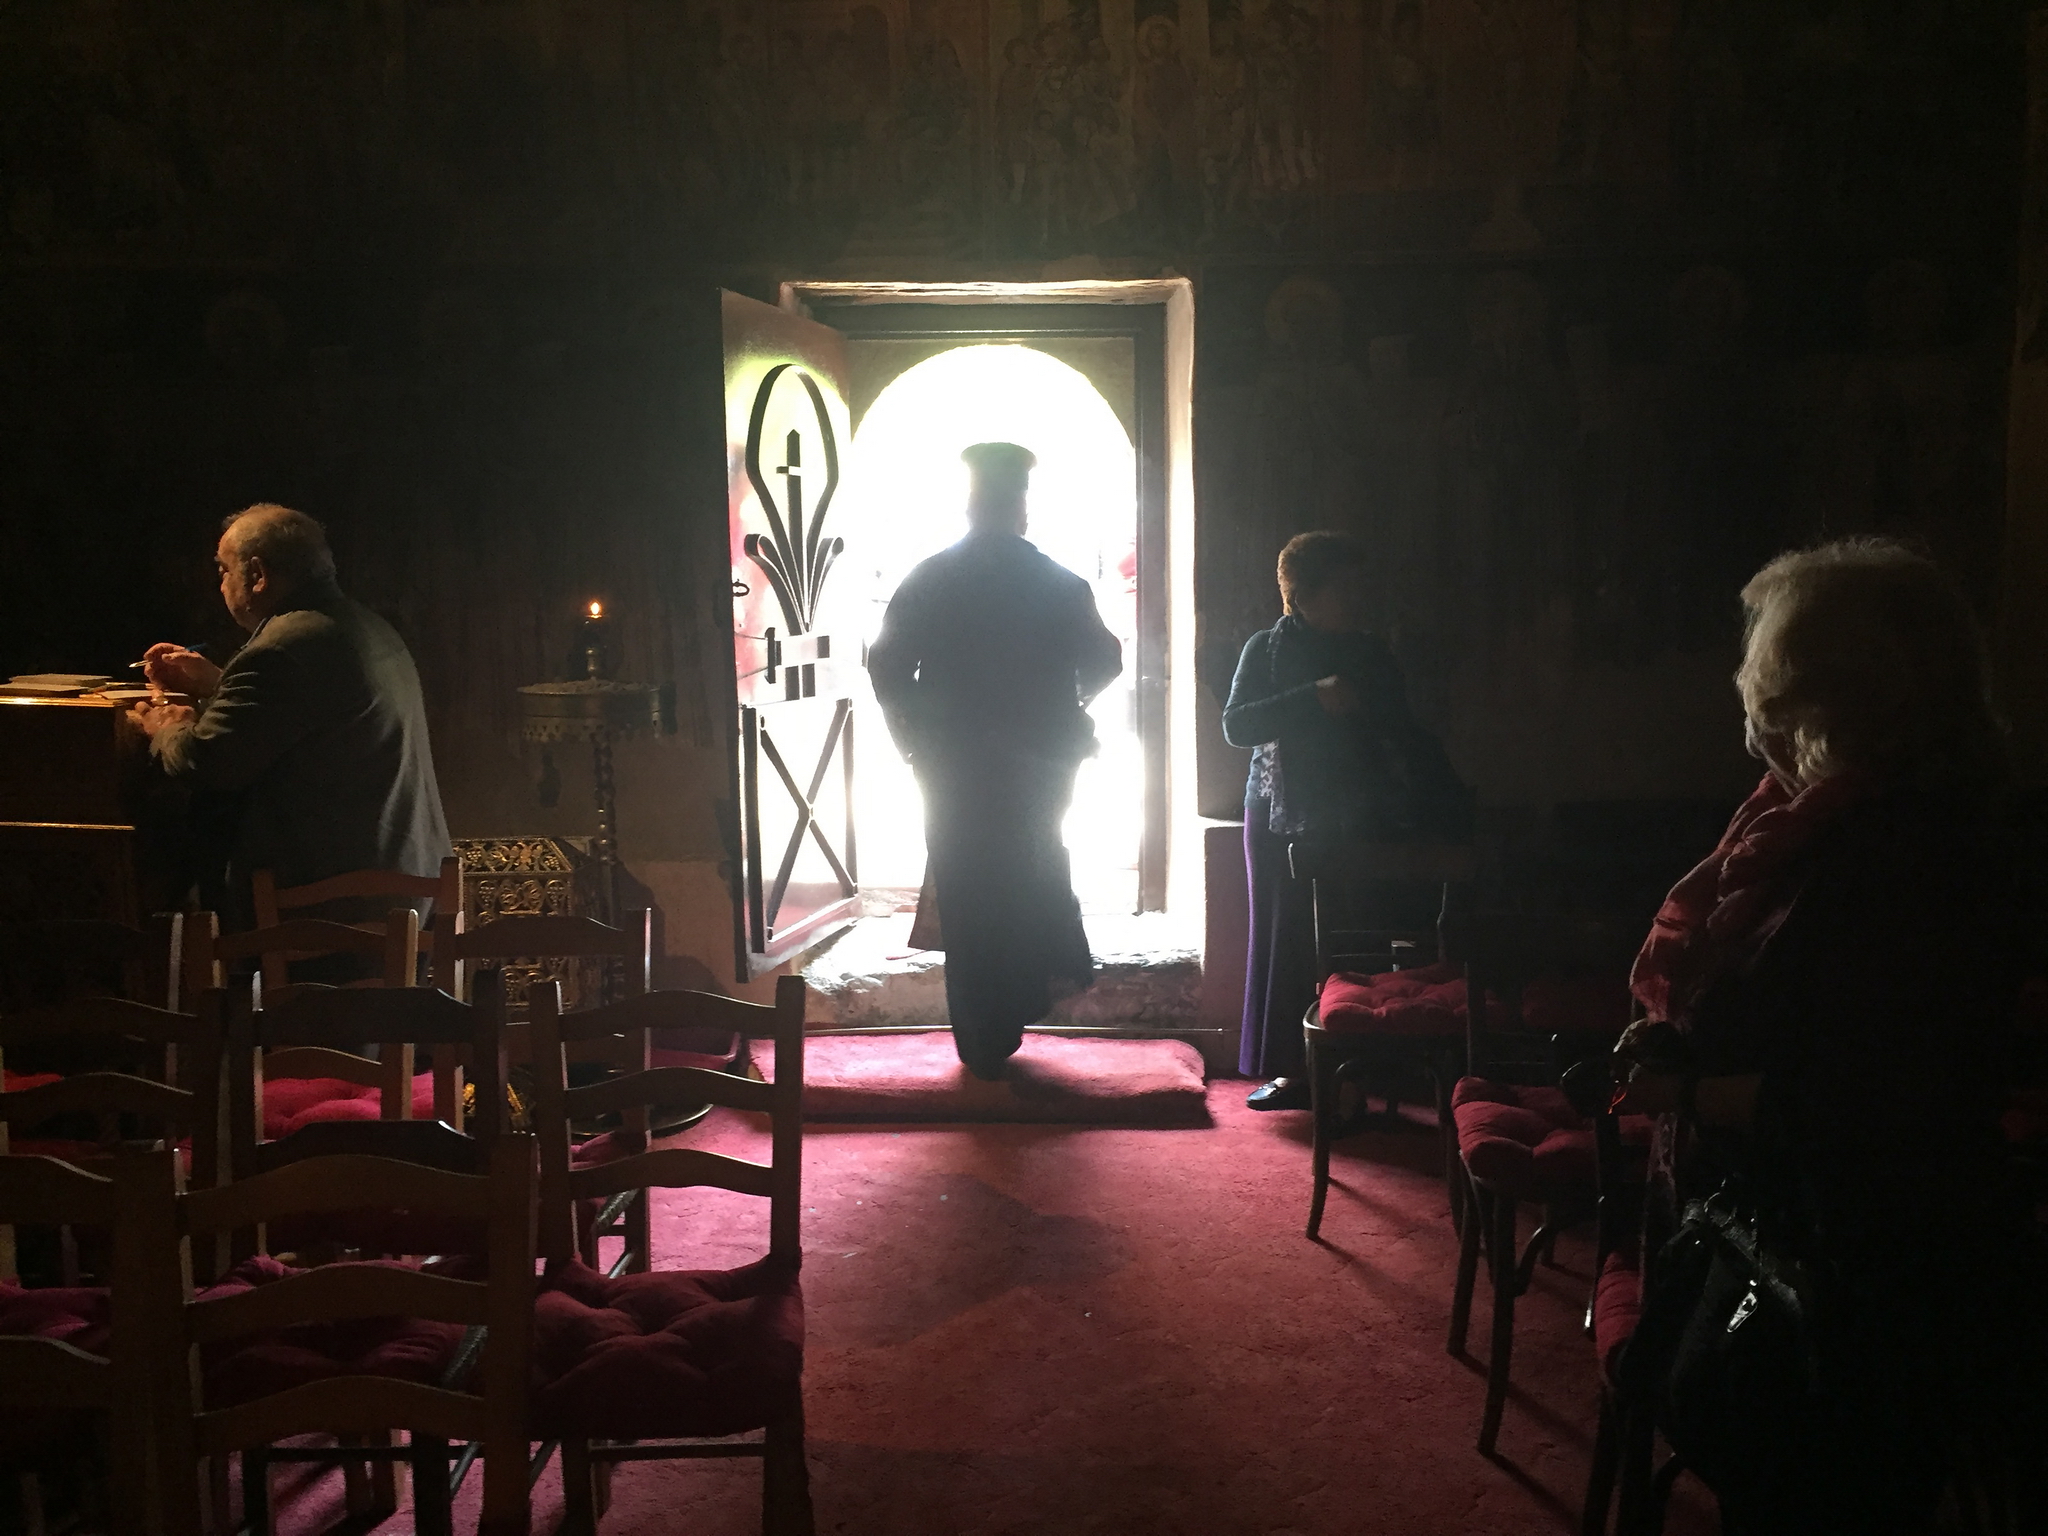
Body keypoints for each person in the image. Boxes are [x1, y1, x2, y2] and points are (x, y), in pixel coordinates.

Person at [1613, 539, 2045, 1534]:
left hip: (1856, 1274)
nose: (1753, 724)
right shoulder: (1816, 823)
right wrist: (1682, 1044)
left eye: (1772, 696)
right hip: (1794, 1236)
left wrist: (1686, 1094)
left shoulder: (1908, 857)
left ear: (1846, 705)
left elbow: (1870, 1100)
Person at [867, 442, 1123, 1080]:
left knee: (967, 887)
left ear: (970, 505)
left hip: (953, 763)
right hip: (1040, 763)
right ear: (1022, 509)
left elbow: (886, 663)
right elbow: (1106, 659)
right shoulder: (1057, 581)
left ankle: (982, 1037)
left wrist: (917, 734)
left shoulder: (932, 576)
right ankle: (1016, 1010)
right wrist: (1068, 706)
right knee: (1029, 871)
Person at [1222, 531, 1468, 1110]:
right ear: (1306, 593)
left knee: (1357, 940)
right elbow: (1237, 726)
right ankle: (1293, 1070)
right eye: (1344, 585)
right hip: (1278, 818)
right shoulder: (1266, 648)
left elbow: (1402, 730)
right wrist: (1311, 697)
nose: (1358, 596)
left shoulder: (1371, 653)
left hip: (1358, 816)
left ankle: (1364, 1069)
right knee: (1285, 940)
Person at [132, 504, 451, 929]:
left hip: (330, 906)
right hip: (407, 888)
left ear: (257, 574)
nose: (220, 584)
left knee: (169, 884)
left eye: (224, 570)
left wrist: (166, 725)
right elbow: (309, 713)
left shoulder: (283, 647)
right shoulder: (364, 625)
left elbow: (205, 762)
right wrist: (219, 683)